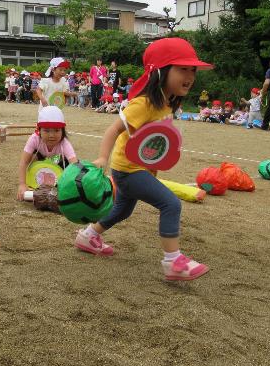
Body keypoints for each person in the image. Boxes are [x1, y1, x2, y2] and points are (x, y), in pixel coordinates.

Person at [74, 37, 212, 281]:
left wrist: (155, 165)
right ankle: (173, 262)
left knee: (122, 211)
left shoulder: (166, 103)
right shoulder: (144, 103)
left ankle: (88, 236)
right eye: (183, 68)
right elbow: (114, 130)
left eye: (193, 70)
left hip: (138, 169)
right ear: (160, 71)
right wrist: (101, 158)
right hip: (127, 170)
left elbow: (152, 141)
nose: (190, 75)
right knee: (171, 204)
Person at [17, 106, 77, 200]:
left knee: (70, 169)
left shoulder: (64, 143)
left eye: (57, 130)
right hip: (39, 156)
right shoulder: (34, 139)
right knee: (32, 157)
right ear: (39, 130)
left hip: (60, 161)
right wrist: (22, 184)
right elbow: (23, 162)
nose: (51, 135)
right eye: (46, 130)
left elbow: (75, 164)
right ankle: (32, 181)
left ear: (62, 131)